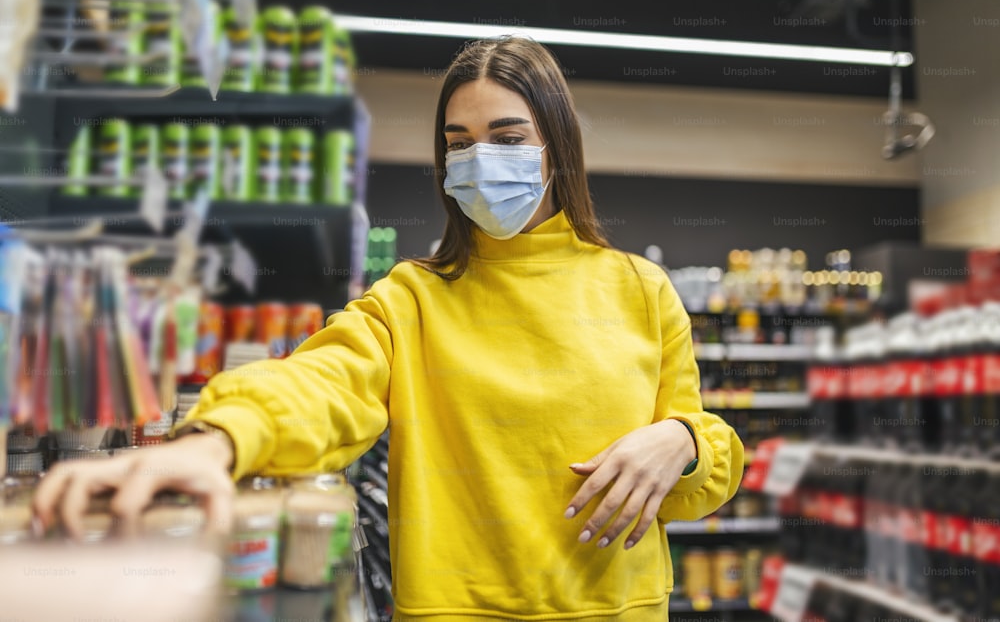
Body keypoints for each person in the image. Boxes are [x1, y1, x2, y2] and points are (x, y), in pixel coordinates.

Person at [34, 36, 744, 621]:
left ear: (556, 147)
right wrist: (218, 438)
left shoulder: (640, 290)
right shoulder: (413, 297)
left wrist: (682, 440)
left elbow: (694, 480)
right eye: (459, 142)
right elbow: (323, 381)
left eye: (507, 136)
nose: (479, 159)